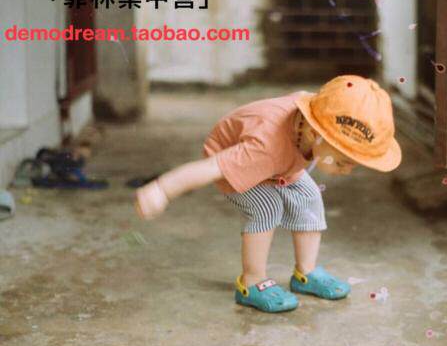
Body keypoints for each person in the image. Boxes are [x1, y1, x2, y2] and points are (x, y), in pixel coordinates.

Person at [135, 75, 402, 313]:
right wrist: (162, 189)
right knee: (267, 206)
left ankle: (306, 273)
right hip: (239, 160)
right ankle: (251, 282)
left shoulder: (319, 115)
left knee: (309, 196)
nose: (346, 171)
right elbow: (212, 167)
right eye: (343, 162)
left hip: (282, 164)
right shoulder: (263, 147)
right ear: (314, 132)